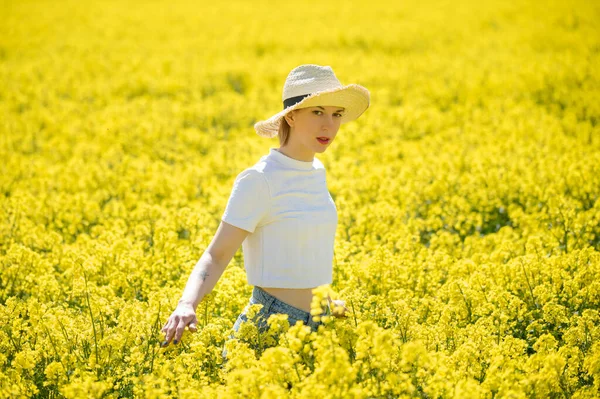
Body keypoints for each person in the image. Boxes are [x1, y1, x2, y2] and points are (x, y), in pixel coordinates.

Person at [159, 64, 370, 356]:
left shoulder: (317, 171)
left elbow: (302, 251)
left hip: (321, 324)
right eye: (317, 112)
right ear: (292, 116)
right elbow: (216, 255)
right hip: (270, 326)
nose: (329, 126)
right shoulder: (260, 179)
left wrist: (326, 302)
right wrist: (186, 305)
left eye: (336, 115)